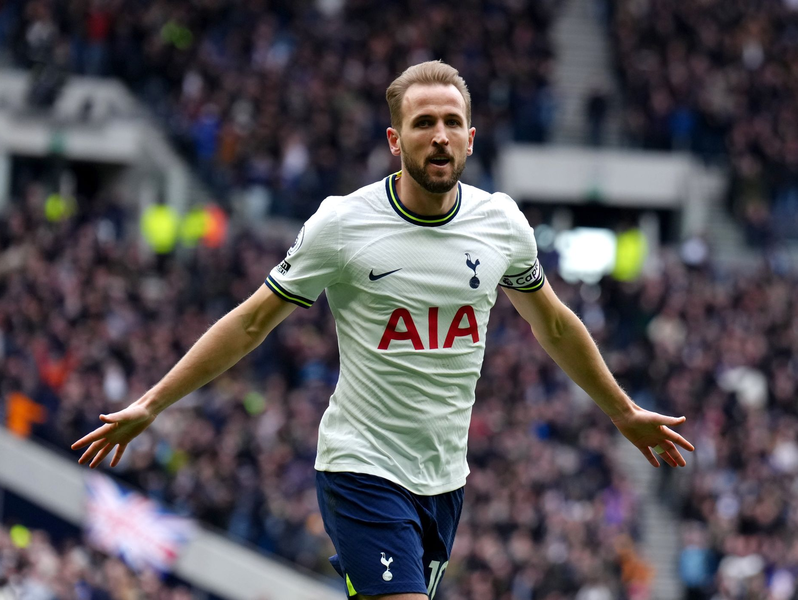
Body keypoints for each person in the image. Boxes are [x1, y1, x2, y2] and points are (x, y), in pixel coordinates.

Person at [73, 61, 694, 600]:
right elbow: (252, 321)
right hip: (361, 467)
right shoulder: (344, 225)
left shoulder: (502, 224)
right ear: (396, 140)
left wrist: (622, 412)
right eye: (424, 123)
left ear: (471, 138)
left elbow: (554, 324)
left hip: (444, 479)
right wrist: (153, 403)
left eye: (451, 122)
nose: (440, 135)